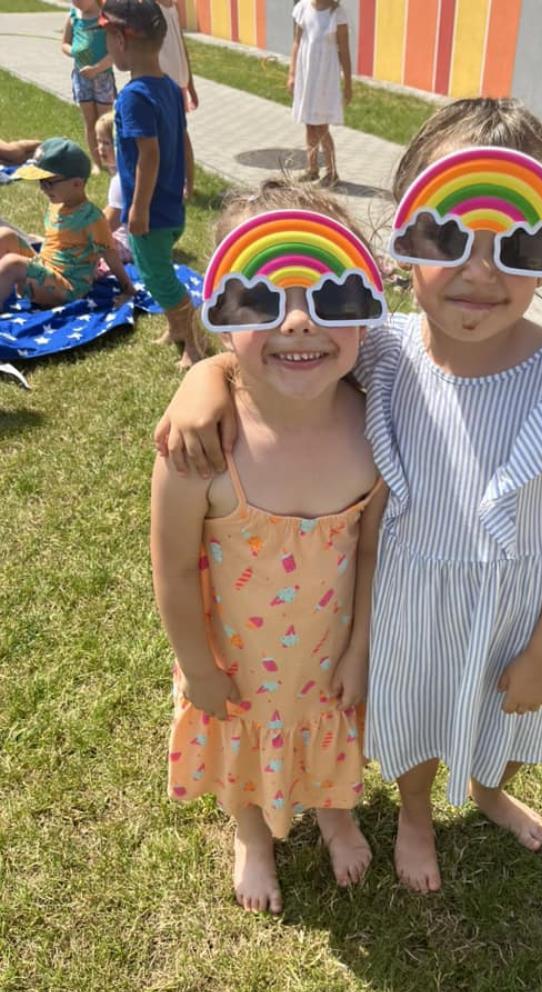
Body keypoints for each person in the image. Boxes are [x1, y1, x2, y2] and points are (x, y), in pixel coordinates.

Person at [154, 97, 542, 895]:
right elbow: (278, 337)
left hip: (511, 609)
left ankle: (489, 789)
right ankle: (415, 813)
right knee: (413, 716)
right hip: (406, 602)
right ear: (404, 239)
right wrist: (203, 376)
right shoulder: (381, 348)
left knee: (506, 718)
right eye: (446, 235)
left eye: (518, 242)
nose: (480, 271)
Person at [151, 180, 388, 914]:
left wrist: (358, 648)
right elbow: (172, 569)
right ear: (220, 315)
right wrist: (198, 666)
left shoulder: (372, 426)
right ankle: (251, 834)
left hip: (326, 650)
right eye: (258, 298)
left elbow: (371, 552)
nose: (297, 321)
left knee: (327, 729)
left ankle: (333, 810)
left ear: (367, 307)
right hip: (236, 660)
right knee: (242, 742)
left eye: (331, 294)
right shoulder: (201, 449)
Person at [100, 0, 202, 367]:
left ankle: (194, 343)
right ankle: (176, 328)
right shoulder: (171, 87)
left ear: (120, 40)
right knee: (158, 269)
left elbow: (150, 154)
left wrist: (139, 209)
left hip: (151, 212)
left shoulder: (133, 96)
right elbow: (184, 139)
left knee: (157, 277)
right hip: (171, 204)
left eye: (107, 41)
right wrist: (190, 179)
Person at [0, 137, 134, 308]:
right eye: (41, 182)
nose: (42, 188)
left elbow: (110, 255)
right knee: (5, 235)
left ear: (77, 184)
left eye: (49, 183)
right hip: (45, 270)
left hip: (66, 288)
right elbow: (61, 241)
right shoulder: (56, 205)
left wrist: (128, 289)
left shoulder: (92, 218)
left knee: (13, 263)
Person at [288, 0, 352, 188]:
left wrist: (348, 83)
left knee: (321, 125)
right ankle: (312, 168)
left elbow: (344, 50)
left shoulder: (336, 14)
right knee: (309, 123)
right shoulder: (302, 8)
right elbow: (297, 42)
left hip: (325, 77)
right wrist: (292, 73)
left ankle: (332, 172)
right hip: (307, 74)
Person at [61, 0, 116, 174]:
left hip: (103, 76)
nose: (77, 3)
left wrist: (97, 68)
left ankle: (112, 161)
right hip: (81, 77)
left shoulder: (105, 17)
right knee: (90, 121)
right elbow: (64, 44)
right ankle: (97, 162)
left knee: (105, 122)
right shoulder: (73, 16)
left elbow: (114, 52)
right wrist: (74, 51)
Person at [94, 112, 131, 264]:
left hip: (127, 245)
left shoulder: (120, 180)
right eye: (99, 141)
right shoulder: (128, 171)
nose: (101, 148)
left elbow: (108, 225)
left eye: (107, 143)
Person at [155, 0, 199, 112]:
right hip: (163, 84)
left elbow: (182, 48)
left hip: (181, 83)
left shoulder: (174, 7)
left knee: (180, 121)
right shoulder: (152, 9)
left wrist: (191, 87)